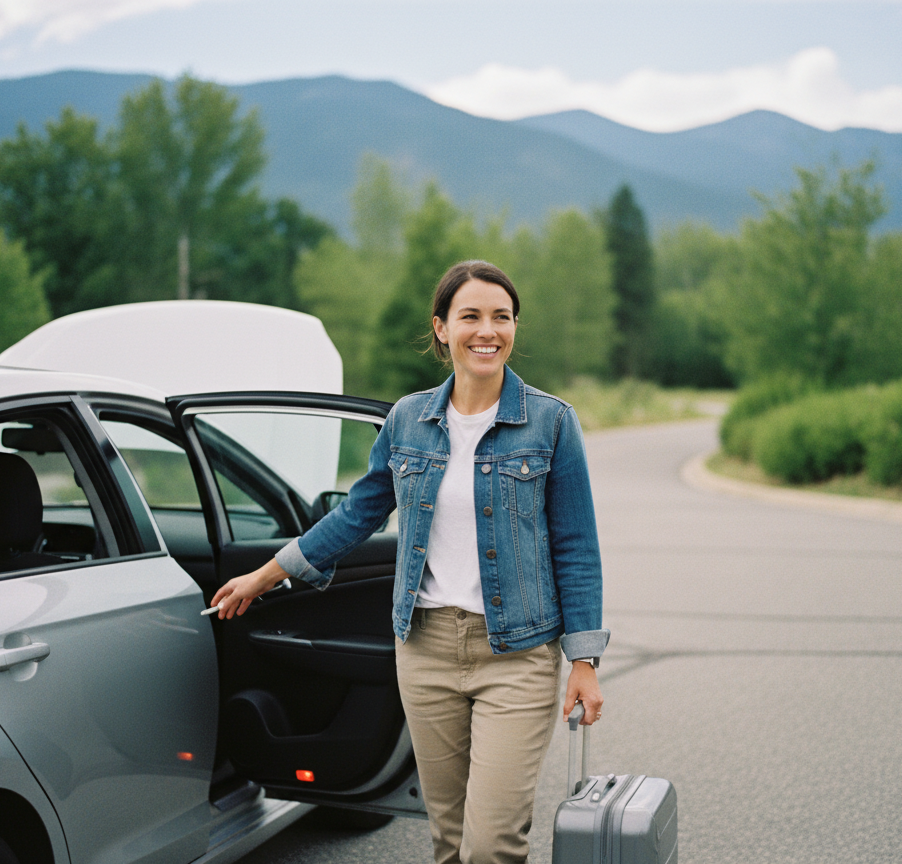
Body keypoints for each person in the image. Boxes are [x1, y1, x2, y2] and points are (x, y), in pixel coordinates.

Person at [211, 260, 607, 864]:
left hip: (517, 655)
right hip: (424, 650)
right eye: (470, 316)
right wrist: (269, 573)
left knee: (491, 845)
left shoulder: (551, 422)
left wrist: (583, 659)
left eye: (502, 317)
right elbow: (356, 515)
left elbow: (576, 545)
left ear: (514, 329)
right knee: (448, 841)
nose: (487, 331)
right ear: (442, 328)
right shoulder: (407, 421)